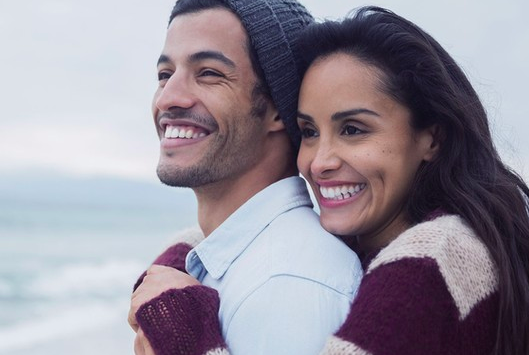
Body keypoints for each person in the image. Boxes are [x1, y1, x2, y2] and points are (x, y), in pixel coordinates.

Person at [129, 6, 529, 355]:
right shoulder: (369, 247)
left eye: (353, 130)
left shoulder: (424, 269)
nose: (320, 161)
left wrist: (183, 337)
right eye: (309, 131)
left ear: (430, 137)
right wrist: (182, 261)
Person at [129, 0, 363, 354]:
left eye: (208, 72)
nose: (168, 98)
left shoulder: (287, 284)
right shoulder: (235, 264)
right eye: (164, 75)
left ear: (277, 109)